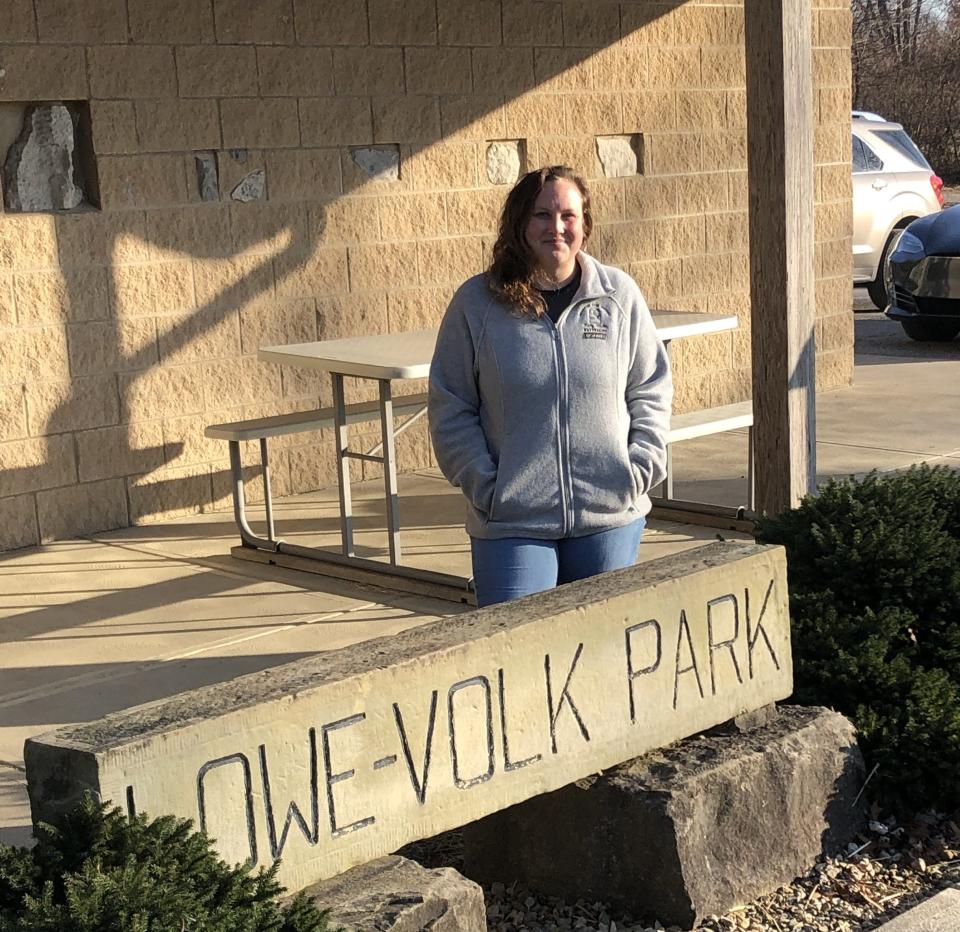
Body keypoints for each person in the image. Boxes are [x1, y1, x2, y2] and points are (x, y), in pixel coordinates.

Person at [428, 165, 672, 607]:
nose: (555, 227)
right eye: (541, 215)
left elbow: (650, 387)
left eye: (568, 216)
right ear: (520, 224)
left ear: (585, 225)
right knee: (513, 653)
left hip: (610, 515)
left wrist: (639, 470)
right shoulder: (477, 303)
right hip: (512, 522)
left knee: (603, 653)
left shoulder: (618, 295)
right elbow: (451, 404)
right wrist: (487, 487)